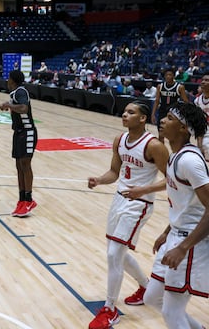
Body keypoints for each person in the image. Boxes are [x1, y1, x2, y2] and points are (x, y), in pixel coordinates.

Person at [87, 102, 169, 329]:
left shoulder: (154, 146)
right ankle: (146, 286)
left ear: (143, 119)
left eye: (131, 112)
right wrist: (99, 180)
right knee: (117, 253)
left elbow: (171, 179)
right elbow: (115, 172)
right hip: (119, 198)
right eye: (124, 111)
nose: (125, 114)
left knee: (114, 254)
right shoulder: (119, 140)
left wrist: (144, 190)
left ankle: (110, 309)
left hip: (139, 203)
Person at [142, 102, 209, 329]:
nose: (162, 120)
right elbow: (185, 203)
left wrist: (182, 247)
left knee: (172, 312)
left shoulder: (190, 161)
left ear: (183, 128)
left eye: (170, 118)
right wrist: (166, 232)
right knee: (151, 298)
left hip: (191, 242)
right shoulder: (175, 157)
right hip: (176, 236)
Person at [0, 70, 39, 217]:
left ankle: (29, 199)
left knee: (25, 165)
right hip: (19, 133)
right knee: (19, 166)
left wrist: (9, 105)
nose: (7, 82)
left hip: (27, 132)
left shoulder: (21, 91)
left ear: (13, 80)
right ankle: (22, 199)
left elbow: (24, 108)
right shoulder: (14, 93)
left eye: (8, 79)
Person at [152, 68, 189, 143]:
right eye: (166, 75)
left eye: (170, 75)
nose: (168, 76)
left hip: (173, 113)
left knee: (173, 135)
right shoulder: (160, 86)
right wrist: (153, 114)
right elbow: (156, 101)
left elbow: (186, 102)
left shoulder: (180, 87)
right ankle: (161, 153)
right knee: (161, 135)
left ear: (174, 76)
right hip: (162, 111)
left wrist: (186, 115)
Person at [193, 74, 209, 160]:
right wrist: (199, 145)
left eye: (207, 80)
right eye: (202, 80)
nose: (203, 82)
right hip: (204, 131)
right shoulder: (197, 101)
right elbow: (199, 124)